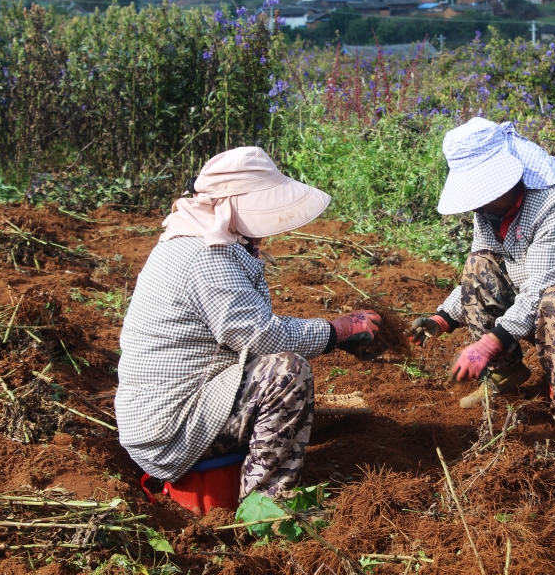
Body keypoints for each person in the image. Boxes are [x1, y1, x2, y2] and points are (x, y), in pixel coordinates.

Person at [116, 147, 380, 499]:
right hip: (172, 429)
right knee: (286, 373)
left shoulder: (198, 237)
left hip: (167, 413)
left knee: (275, 376)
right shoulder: (206, 254)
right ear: (232, 205)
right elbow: (261, 336)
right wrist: (339, 330)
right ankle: (264, 508)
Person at [409, 118, 555, 433]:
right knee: (479, 263)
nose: (477, 202)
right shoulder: (491, 211)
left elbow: (540, 288)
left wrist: (488, 343)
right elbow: (483, 272)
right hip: (545, 300)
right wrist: (442, 319)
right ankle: (504, 372)